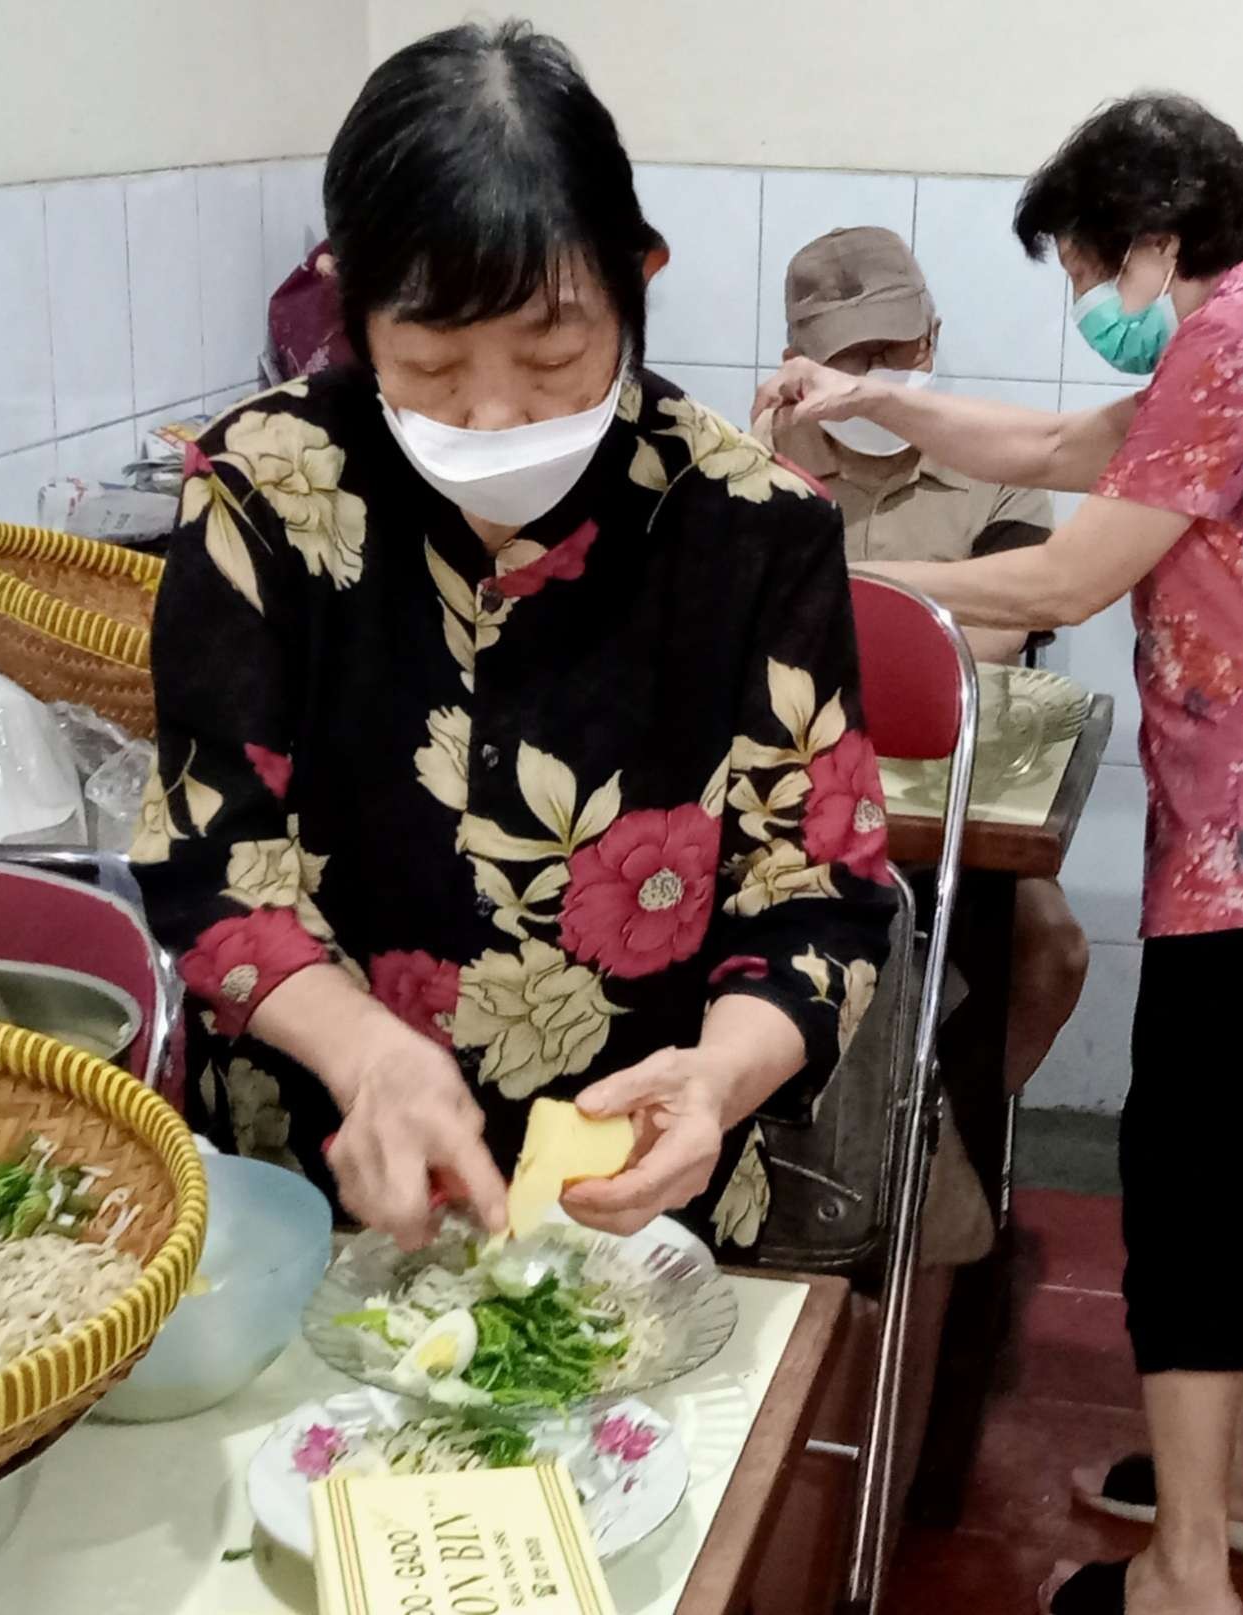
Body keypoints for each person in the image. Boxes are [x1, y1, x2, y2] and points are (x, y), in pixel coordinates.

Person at [758, 95, 1243, 1615]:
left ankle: (1180, 1573)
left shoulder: (1234, 347)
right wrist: (875, 398)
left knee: (1185, 1185)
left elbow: (1061, 563)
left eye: (1079, 273)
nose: (1083, 308)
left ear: (1146, 240)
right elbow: (1064, 442)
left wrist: (805, 571)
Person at [137, 20, 898, 1261]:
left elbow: (817, 895)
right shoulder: (264, 490)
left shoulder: (749, 525)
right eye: (431, 365)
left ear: (636, 280)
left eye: (553, 358)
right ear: (349, 307)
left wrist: (720, 1077)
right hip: (329, 1173)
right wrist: (370, 1054)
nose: (495, 418)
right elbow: (210, 855)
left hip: (643, 1200)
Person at [774, 225, 1091, 1100]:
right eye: (850, 358)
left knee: (1049, 950)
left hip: (954, 789)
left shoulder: (992, 460)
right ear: (799, 362)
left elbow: (991, 640)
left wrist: (826, 606)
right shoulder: (760, 459)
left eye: (896, 348)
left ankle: (941, 1147)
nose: (876, 376)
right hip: (793, 793)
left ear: (934, 334)